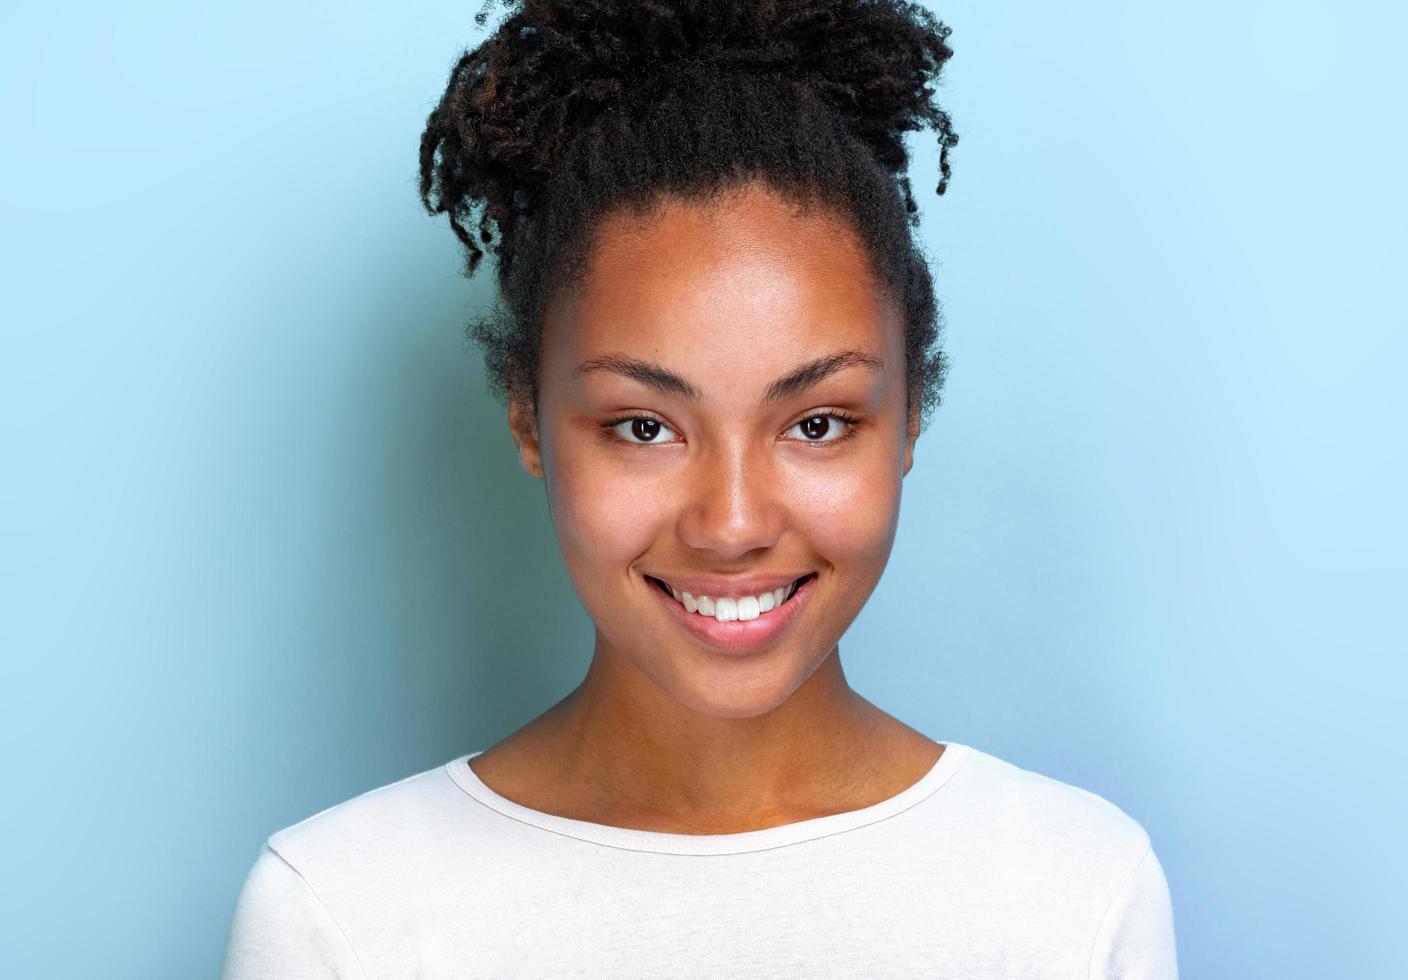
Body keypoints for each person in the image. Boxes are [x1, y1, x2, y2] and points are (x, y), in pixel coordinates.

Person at [221, 1, 1179, 976]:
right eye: (644, 426)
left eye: (815, 423)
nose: (731, 524)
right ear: (527, 417)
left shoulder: (1073, 892)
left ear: (909, 417)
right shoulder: (340, 914)